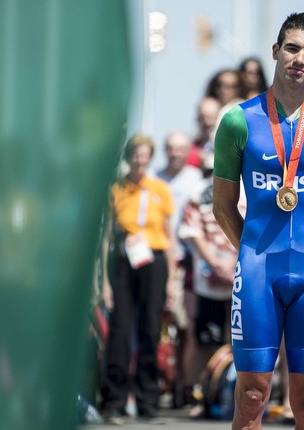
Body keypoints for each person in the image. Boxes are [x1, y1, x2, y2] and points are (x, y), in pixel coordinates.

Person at [212, 10, 304, 429]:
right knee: (253, 397)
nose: (299, 58)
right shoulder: (238, 120)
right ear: (276, 51)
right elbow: (223, 206)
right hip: (258, 268)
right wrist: (250, 251)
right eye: (292, 48)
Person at [99, 134, 178, 424]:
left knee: (150, 327)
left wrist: (171, 280)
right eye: (135, 154)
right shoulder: (116, 190)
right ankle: (114, 401)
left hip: (153, 260)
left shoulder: (160, 189)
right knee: (119, 330)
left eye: (144, 155)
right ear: (128, 157)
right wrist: (105, 282)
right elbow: (107, 236)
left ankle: (148, 401)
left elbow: (168, 238)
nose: (139, 160)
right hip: (123, 260)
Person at [178, 151, 245, 417]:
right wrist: (217, 264)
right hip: (209, 282)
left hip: (244, 276)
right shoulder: (198, 192)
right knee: (205, 341)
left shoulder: (250, 188)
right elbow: (191, 231)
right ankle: (199, 396)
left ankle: (237, 397)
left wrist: (237, 263)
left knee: (243, 341)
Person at [155, 131, 202, 408]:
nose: (175, 154)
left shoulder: (195, 180)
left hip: (187, 261)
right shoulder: (154, 177)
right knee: (162, 325)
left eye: (181, 149)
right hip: (160, 258)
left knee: (186, 327)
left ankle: (183, 387)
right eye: (170, 148)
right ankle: (163, 382)